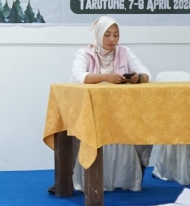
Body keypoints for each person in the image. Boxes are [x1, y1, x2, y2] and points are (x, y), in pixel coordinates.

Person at [65, 16, 152, 193]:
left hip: (122, 111)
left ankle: (138, 171)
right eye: (107, 35)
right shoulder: (84, 53)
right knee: (74, 130)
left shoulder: (124, 52)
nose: (112, 39)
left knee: (146, 123)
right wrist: (105, 77)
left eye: (116, 35)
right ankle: (68, 176)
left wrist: (137, 78)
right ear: (98, 35)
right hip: (91, 111)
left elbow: (146, 74)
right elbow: (78, 76)